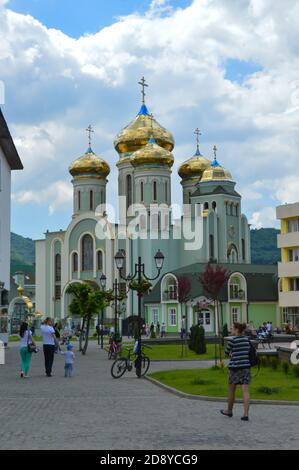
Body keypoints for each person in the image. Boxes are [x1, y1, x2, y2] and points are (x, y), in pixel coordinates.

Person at [220, 322, 251, 421]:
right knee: (245, 391)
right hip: (246, 367)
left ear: (237, 330)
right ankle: (245, 414)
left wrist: (232, 354)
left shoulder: (233, 341)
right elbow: (248, 351)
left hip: (234, 368)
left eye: (232, 328)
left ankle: (229, 411)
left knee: (231, 390)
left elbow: (226, 353)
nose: (231, 330)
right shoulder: (247, 340)